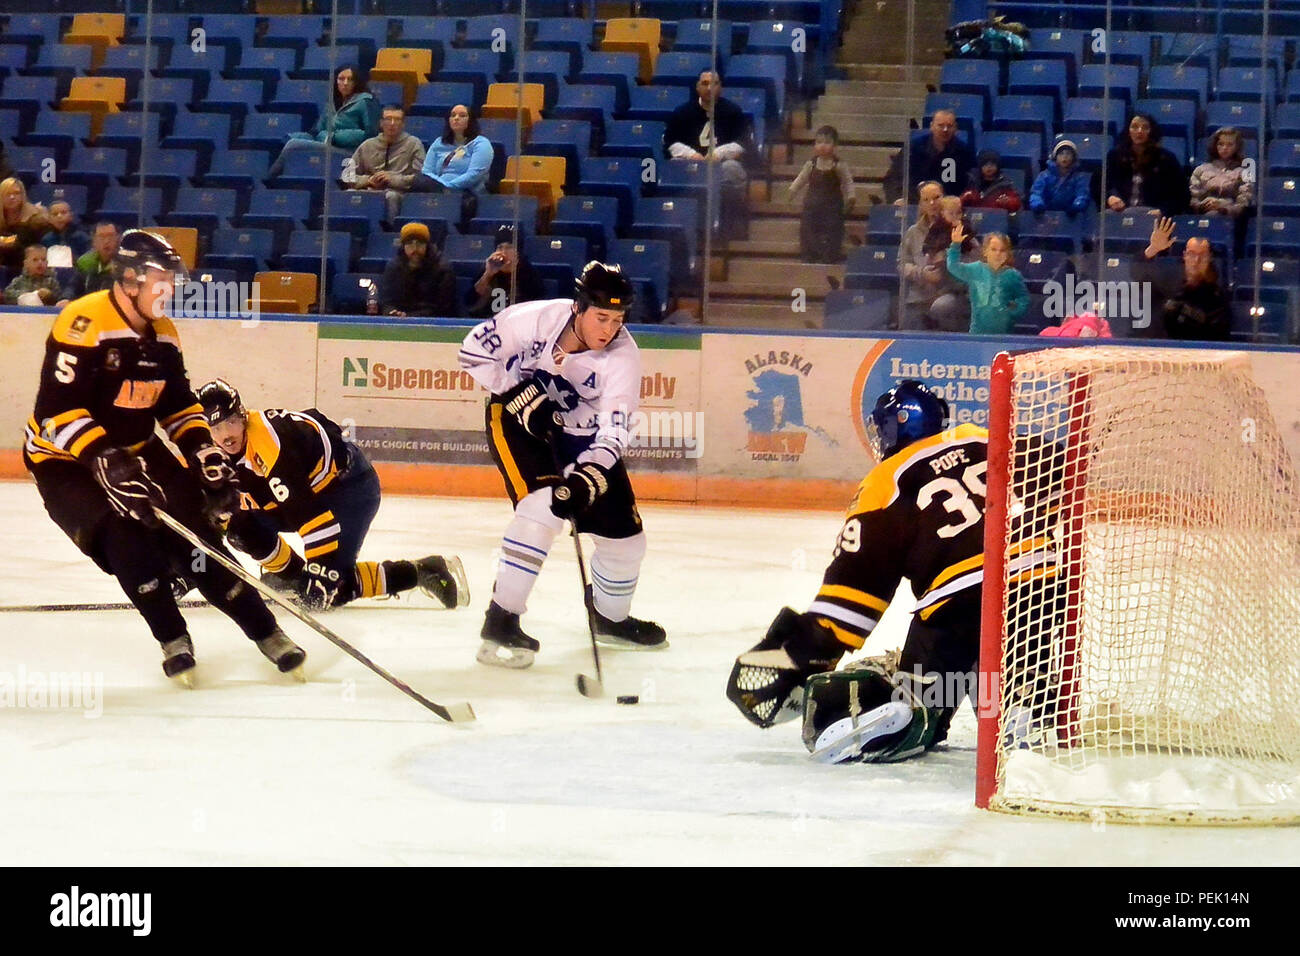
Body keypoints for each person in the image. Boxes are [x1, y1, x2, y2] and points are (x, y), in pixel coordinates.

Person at [22, 230, 305, 683]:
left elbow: (177, 405)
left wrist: (203, 451)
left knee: (198, 535)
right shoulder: (83, 322)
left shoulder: (165, 335)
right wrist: (102, 458)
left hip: (137, 449)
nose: (169, 289)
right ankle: (172, 638)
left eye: (172, 280)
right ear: (130, 278)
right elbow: (55, 411)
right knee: (123, 537)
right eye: (161, 279)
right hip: (64, 461)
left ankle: (266, 632)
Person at [726, 381, 1058, 764]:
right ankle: (1019, 705)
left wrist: (800, 652)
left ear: (893, 427)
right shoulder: (984, 437)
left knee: (926, 697)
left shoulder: (885, 482)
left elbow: (851, 598)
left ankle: (915, 713)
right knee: (1014, 660)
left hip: (957, 605)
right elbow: (1057, 471)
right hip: (1039, 582)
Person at [457, 261, 666, 668]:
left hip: (583, 438)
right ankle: (501, 620)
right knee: (542, 511)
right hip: (516, 421)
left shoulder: (623, 358)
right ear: (578, 307)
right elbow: (472, 352)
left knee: (626, 544)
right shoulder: (534, 319)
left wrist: (590, 475)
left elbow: (615, 430)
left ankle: (609, 618)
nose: (610, 329)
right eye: (601, 317)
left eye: (618, 319)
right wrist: (516, 391)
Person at [196, 379, 468, 612]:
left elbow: (313, 521)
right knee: (240, 528)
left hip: (348, 492)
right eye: (216, 428)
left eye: (231, 422)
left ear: (243, 415)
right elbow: (211, 518)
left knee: (333, 590)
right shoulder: (212, 453)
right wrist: (188, 573)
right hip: (306, 494)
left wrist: (322, 572)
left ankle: (422, 571)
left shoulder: (271, 444)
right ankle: (292, 578)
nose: (226, 435)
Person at [664, 70, 753, 237]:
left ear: (721, 87)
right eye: (704, 84)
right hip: (692, 166)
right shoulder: (682, 112)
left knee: (731, 168)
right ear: (697, 87)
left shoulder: (733, 112)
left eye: (714, 84)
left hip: (721, 167)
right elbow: (669, 142)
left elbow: (743, 142)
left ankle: (727, 225)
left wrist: (719, 153)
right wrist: (691, 155)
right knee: (675, 165)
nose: (709, 88)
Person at [267, 65, 380, 181]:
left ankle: (269, 180)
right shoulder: (332, 102)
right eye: (341, 79)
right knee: (288, 140)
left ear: (357, 82)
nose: (345, 83)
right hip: (328, 145)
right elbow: (317, 131)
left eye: (350, 79)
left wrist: (334, 137)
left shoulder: (366, 101)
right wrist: (298, 136)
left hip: (350, 153)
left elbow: (370, 134)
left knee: (293, 145)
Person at [1135, 216, 1231, 341]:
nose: (1196, 261)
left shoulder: (1217, 297)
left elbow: (1218, 336)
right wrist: (1153, 249)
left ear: (1209, 258)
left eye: (1202, 255)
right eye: (1191, 254)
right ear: (1184, 256)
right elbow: (1137, 276)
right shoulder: (1167, 281)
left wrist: (1187, 314)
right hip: (1161, 346)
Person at [897, 181, 970, 331]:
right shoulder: (913, 232)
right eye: (926, 200)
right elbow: (902, 264)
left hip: (953, 295)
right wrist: (922, 273)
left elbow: (976, 261)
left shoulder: (962, 228)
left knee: (942, 308)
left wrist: (948, 264)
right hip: (920, 297)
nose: (932, 203)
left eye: (936, 197)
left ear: (944, 198)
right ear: (920, 204)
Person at [344, 104, 427, 222]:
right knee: (350, 194)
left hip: (398, 193)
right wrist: (368, 180)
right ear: (381, 123)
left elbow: (421, 178)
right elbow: (347, 176)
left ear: (403, 124)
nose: (392, 123)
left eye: (397, 119)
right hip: (369, 190)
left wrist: (392, 179)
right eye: (388, 119)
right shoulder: (367, 145)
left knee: (390, 196)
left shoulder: (414, 144)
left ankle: (390, 229)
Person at [411, 104, 493, 221]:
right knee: (417, 181)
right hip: (438, 190)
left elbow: (474, 175)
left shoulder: (481, 143)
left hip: (466, 192)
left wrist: (448, 186)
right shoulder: (439, 142)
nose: (456, 118)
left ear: (471, 120)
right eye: (453, 115)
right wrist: (440, 185)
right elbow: (427, 171)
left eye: (462, 115)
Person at [789, 125, 856, 263]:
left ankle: (829, 256)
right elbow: (801, 178)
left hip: (832, 204)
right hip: (812, 203)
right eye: (819, 142)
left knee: (833, 228)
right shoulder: (811, 164)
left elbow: (848, 182)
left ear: (835, 145)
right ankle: (809, 255)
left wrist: (851, 197)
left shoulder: (838, 165)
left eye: (827, 142)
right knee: (807, 227)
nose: (822, 146)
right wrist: (792, 190)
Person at [944, 226, 1029, 335]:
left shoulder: (1013, 275)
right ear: (985, 251)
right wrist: (955, 245)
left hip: (1004, 334)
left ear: (1007, 254)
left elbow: (1023, 298)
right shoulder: (976, 269)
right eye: (993, 249)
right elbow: (954, 267)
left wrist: (1013, 312)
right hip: (977, 333)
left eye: (1002, 250)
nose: (998, 254)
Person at [883, 110, 977, 204]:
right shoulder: (914, 148)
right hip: (914, 203)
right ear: (931, 126)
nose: (945, 130)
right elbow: (894, 177)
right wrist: (898, 199)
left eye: (949, 126)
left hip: (949, 205)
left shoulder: (963, 151)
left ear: (955, 128)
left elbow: (971, 181)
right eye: (940, 125)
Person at [1103, 113, 1189, 216]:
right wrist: (1110, 196)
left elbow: (1181, 193)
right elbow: (1102, 184)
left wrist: (1163, 211)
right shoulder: (1114, 156)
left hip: (1152, 213)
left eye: (1145, 127)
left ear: (1152, 132)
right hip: (1119, 211)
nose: (1139, 131)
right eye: (1134, 127)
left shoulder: (1166, 159)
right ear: (1128, 131)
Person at [466, 224, 547, 319]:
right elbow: (470, 303)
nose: (503, 252)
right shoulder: (488, 269)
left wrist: (512, 271)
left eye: (509, 247)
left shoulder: (528, 271)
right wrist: (488, 274)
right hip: (490, 321)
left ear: (517, 252)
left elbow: (537, 304)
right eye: (500, 247)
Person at [380, 221, 457, 317]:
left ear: (427, 246)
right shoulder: (393, 267)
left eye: (420, 243)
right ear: (403, 246)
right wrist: (391, 312)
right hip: (399, 320)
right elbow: (387, 301)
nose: (415, 249)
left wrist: (408, 316)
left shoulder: (443, 269)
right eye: (409, 243)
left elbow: (443, 308)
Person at [1189, 126, 1253, 219]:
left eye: (1230, 144)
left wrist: (1222, 208)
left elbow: (1244, 203)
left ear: (1237, 147)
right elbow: (1193, 198)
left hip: (1231, 219)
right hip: (1202, 216)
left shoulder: (1244, 173)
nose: (1225, 148)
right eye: (1220, 144)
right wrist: (1203, 206)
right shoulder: (1201, 170)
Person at [0, 177, 50, 274]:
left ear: (22, 196)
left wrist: (14, 244)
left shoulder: (36, 219)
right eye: (7, 194)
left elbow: (39, 250)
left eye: (16, 193)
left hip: (28, 269)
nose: (12, 197)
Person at [1028, 139, 1092, 214]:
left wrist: (1076, 206)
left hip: (1071, 217)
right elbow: (1036, 193)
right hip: (1046, 216)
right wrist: (1038, 205)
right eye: (1061, 154)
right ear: (1055, 157)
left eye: (1068, 154)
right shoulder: (1044, 176)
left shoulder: (1079, 178)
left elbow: (1082, 195)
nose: (1064, 157)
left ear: (1073, 157)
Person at [67, 221, 120, 299]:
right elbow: (73, 287)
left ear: (118, 239)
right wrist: (65, 298)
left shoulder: (126, 263)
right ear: (94, 241)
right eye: (101, 237)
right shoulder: (85, 262)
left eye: (111, 236)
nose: (106, 241)